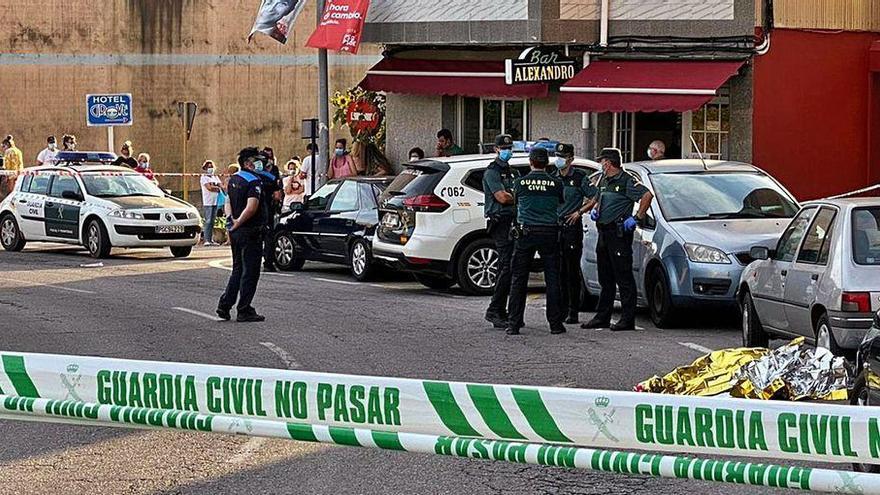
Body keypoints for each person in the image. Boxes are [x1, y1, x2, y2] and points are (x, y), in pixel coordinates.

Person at [577, 148, 654, 331]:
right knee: (606, 277)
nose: (601, 164)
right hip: (604, 232)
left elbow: (647, 195)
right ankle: (603, 316)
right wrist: (596, 210)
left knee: (623, 276)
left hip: (618, 234)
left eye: (603, 161)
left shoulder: (626, 180)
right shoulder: (605, 179)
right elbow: (598, 198)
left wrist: (636, 218)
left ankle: (627, 319)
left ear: (608, 162)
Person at [505, 147, 566, 336]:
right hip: (549, 232)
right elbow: (560, 203)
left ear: (531, 162)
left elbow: (515, 203)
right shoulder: (556, 183)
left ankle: (514, 324)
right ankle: (555, 324)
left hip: (526, 233)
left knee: (518, 278)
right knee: (553, 278)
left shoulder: (520, 183)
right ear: (547, 163)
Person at [217, 147, 268, 323]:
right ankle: (244, 309)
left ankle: (225, 304)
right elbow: (252, 207)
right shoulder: (254, 181)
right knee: (250, 272)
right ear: (248, 163)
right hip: (250, 231)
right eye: (257, 160)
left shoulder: (234, 179)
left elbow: (228, 202)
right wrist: (239, 222)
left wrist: (231, 221)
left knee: (238, 269)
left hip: (237, 232)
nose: (260, 163)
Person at [482, 133, 518, 329]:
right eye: (504, 148)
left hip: (512, 221)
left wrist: (513, 195)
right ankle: (495, 309)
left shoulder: (512, 172)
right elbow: (503, 198)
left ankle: (500, 309)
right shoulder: (492, 172)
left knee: (509, 266)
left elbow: (513, 194)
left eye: (509, 148)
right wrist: (516, 196)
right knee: (506, 266)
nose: (507, 151)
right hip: (500, 221)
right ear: (496, 150)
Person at [554, 143, 592, 324]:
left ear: (570, 159)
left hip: (571, 227)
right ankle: (560, 308)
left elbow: (595, 196)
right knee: (558, 270)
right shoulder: (553, 177)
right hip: (556, 227)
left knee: (571, 270)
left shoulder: (579, 177)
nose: (559, 159)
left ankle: (573, 310)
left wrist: (580, 212)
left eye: (563, 156)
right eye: (557, 156)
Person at [256, 147, 283, 272]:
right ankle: (265, 262)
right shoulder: (259, 173)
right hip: (260, 206)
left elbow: (277, 191)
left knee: (267, 235)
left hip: (266, 206)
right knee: (264, 235)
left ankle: (268, 261)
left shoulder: (271, 171)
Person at [200, 160, 222, 246]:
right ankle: (206, 240)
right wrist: (217, 188)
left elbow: (221, 186)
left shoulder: (215, 177)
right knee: (208, 221)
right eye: (208, 167)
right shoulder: (203, 177)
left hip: (215, 201)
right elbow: (209, 187)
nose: (210, 169)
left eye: (211, 167)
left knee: (212, 221)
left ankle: (210, 239)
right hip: (208, 202)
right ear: (205, 168)